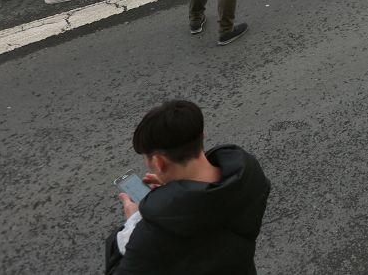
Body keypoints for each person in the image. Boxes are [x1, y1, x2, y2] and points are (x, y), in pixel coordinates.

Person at [105, 99, 270, 274]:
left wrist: (133, 222)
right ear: (202, 136)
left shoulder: (154, 232)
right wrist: (178, 191)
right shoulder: (248, 177)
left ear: (159, 162)